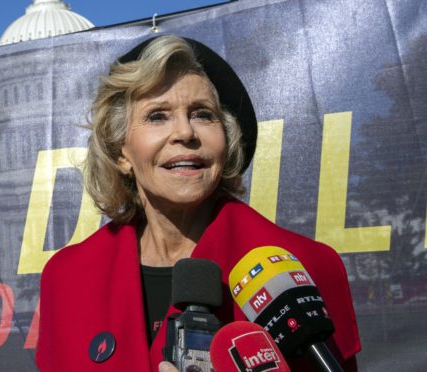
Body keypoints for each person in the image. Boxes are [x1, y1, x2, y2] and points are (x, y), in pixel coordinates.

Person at [35, 35, 361, 371]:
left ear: (226, 140)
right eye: (158, 116)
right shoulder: (67, 279)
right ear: (121, 152)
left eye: (203, 115)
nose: (185, 133)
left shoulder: (306, 267)